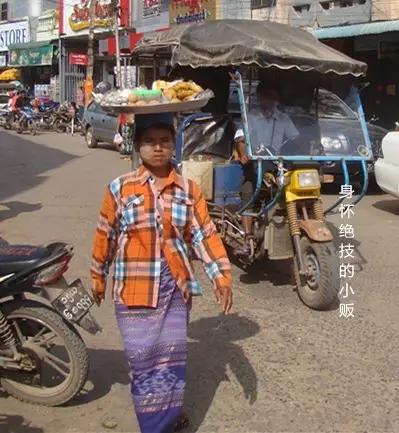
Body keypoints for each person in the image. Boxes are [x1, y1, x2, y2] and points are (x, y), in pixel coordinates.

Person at [91, 112, 233, 433]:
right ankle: (157, 422)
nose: (158, 148)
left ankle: (165, 419)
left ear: (174, 145)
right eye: (150, 141)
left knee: (170, 361)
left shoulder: (188, 190)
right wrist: (98, 277)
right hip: (133, 291)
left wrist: (221, 277)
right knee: (143, 365)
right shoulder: (119, 190)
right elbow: (105, 237)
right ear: (137, 146)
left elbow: (204, 234)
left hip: (174, 289)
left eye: (165, 141)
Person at [233, 82, 300, 255]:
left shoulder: (283, 118)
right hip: (255, 163)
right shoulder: (251, 117)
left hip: (276, 165)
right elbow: (240, 138)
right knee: (248, 194)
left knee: (294, 191)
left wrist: (308, 146)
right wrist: (243, 154)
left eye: (273, 97)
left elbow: (295, 138)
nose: (270, 101)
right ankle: (247, 240)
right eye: (267, 97)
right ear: (260, 98)